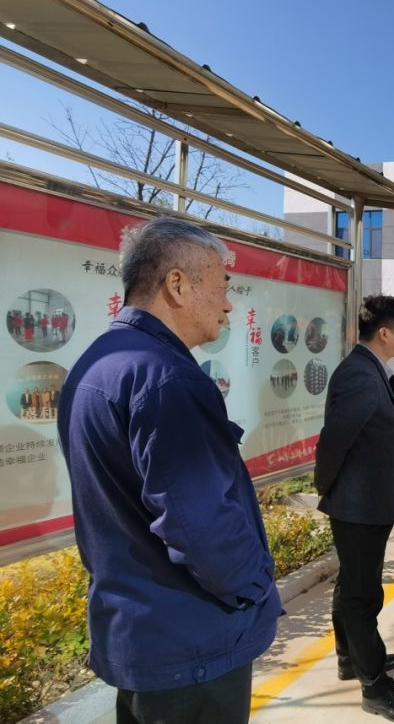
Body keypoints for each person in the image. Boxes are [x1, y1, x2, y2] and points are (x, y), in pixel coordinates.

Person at [57, 218, 280, 724]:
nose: (228, 305)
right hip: (192, 643)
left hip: (140, 635)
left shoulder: (98, 363)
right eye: (222, 286)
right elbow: (201, 526)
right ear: (177, 285)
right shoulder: (166, 376)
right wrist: (255, 586)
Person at [314, 294, 394, 721]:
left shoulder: (371, 368)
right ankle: (375, 686)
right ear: (384, 332)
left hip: (367, 502)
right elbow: (334, 441)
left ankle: (350, 657)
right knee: (362, 596)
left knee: (354, 583)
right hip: (357, 504)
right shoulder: (359, 374)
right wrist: (329, 488)